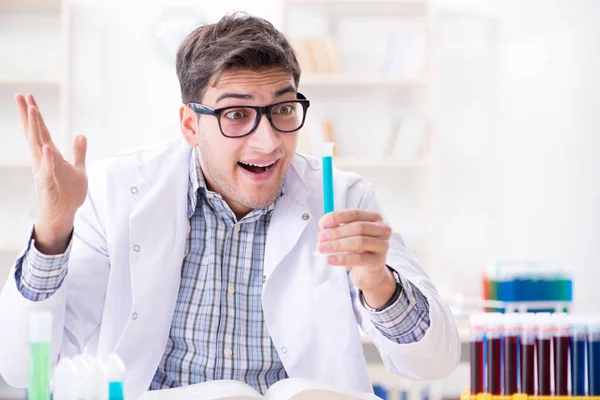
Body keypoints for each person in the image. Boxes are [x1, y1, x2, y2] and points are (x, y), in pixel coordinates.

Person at [0, 13, 459, 399]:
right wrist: (52, 235)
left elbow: (435, 361)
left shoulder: (342, 198)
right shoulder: (116, 191)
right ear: (189, 125)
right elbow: (20, 368)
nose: (269, 140)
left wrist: (379, 284)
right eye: (237, 114)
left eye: (283, 109)